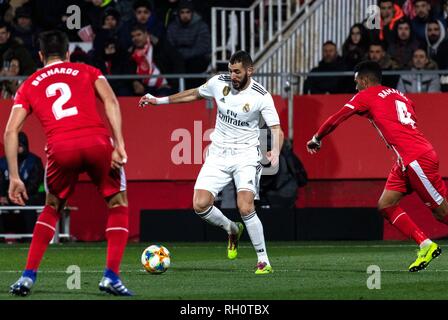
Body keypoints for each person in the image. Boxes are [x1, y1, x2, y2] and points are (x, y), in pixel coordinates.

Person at [4, 30, 132, 296]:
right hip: (97, 142)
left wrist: (14, 177)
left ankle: (28, 277)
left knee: (52, 207)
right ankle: (111, 276)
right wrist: (118, 144)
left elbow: (10, 131)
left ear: (40, 56)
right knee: (118, 203)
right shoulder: (88, 70)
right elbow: (110, 100)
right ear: (68, 53)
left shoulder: (29, 84)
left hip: (61, 148)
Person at [139, 50, 284, 274]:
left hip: (246, 155)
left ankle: (263, 260)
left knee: (245, 205)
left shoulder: (261, 96)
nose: (233, 76)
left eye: (237, 72)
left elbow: (277, 129)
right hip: (218, 154)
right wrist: (158, 101)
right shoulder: (219, 82)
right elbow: (194, 94)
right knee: (200, 204)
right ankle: (232, 229)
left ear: (249, 71)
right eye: (230, 71)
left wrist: (274, 150)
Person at [306, 61, 448, 272]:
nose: (356, 88)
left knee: (442, 212)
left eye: (356, 83)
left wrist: (317, 137)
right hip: (406, 160)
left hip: (416, 159)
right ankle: (426, 245)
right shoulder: (400, 95)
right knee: (386, 205)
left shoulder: (367, 95)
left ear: (364, 80)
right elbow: (411, 117)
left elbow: (337, 117)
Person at [0, 132, 45, 236]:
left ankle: (29, 238)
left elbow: (34, 184)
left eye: (19, 145)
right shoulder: (2, 162)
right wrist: (3, 196)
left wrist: (19, 196)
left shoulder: (34, 161)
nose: (16, 148)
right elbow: (1, 181)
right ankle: (1, 239)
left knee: (29, 204)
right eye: (14, 145)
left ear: (24, 146)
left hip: (30, 196)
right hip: (9, 197)